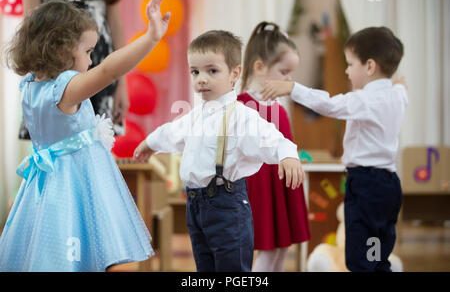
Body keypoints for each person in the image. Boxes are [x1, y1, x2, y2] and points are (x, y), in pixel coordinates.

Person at [0, 0, 170, 271]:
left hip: (44, 183)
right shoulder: (66, 88)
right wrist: (151, 37)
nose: (92, 61)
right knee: (99, 251)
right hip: (79, 181)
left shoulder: (29, 86)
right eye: (88, 52)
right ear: (61, 50)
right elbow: (108, 70)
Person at [133, 30, 305, 272]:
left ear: (235, 73)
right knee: (205, 268)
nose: (202, 79)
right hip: (195, 207)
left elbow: (271, 137)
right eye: (195, 71)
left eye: (212, 71)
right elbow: (171, 132)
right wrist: (150, 143)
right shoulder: (194, 116)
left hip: (227, 207)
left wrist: (287, 155)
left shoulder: (241, 116)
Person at [260, 26, 408, 272]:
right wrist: (400, 85)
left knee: (360, 256)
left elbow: (328, 104)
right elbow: (401, 87)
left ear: (370, 67)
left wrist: (292, 88)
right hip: (390, 184)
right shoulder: (397, 95)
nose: (348, 71)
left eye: (350, 64)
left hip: (366, 183)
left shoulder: (364, 100)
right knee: (380, 251)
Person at [237, 21, 311, 272]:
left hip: (281, 185)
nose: (288, 80)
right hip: (259, 188)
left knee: (282, 247)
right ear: (259, 67)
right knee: (267, 248)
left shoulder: (277, 108)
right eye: (284, 72)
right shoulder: (241, 105)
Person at [20, 0, 128, 138]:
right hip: (53, 57)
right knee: (55, 137)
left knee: (99, 137)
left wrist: (122, 83)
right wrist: (37, 77)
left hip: (100, 59)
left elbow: (116, 23)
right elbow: (31, 19)